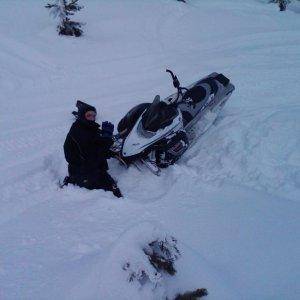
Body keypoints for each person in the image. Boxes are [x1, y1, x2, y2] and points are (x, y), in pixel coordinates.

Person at [63, 101, 122, 198]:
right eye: (88, 115)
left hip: (88, 165)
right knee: (113, 190)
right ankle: (74, 180)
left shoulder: (86, 126)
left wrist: (111, 151)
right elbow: (92, 154)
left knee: (108, 182)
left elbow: (95, 144)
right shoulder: (79, 131)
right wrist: (107, 139)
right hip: (83, 170)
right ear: (82, 115)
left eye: (93, 115)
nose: (92, 118)